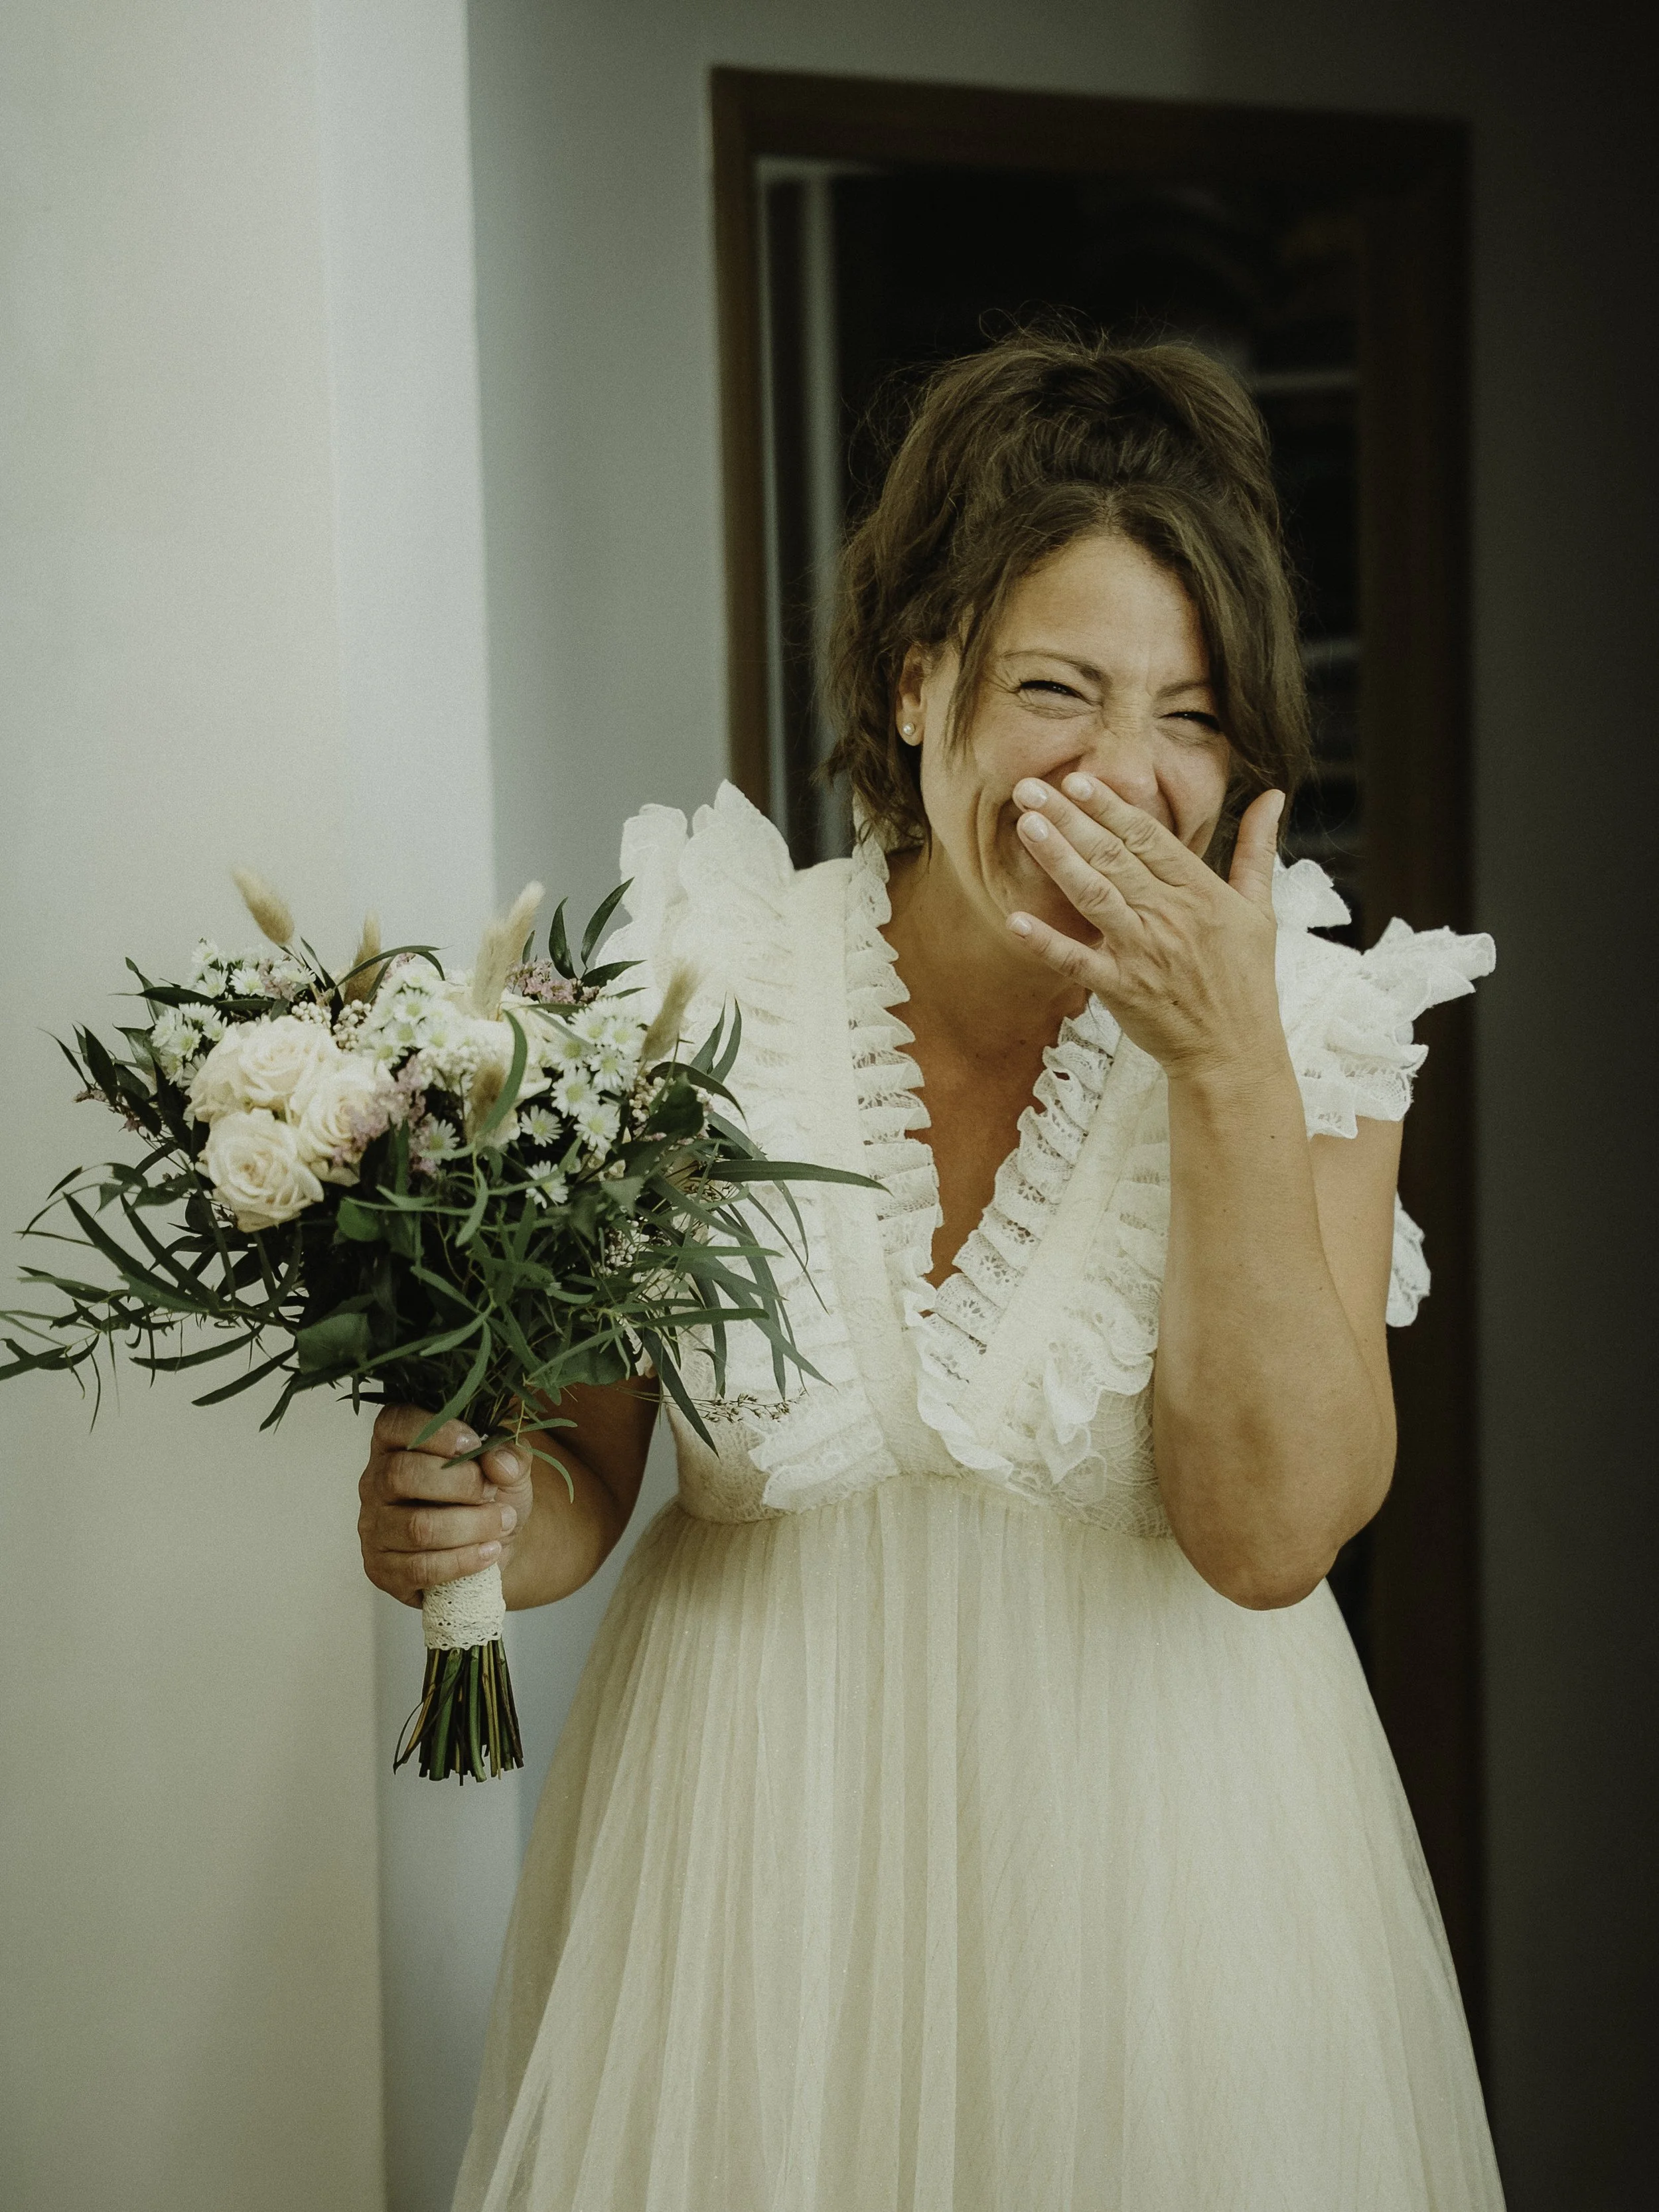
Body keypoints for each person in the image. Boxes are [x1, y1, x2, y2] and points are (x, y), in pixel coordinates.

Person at [359, 332, 1502, 2209]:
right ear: (915, 682)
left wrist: (1223, 1059)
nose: (1121, 778)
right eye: (1056, 688)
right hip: (743, 1905)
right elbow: (581, 1476)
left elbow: (1271, 1533)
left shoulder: (1313, 1019)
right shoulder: (694, 981)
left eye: (1191, 716)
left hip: (1165, 1908)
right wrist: (474, 1513)